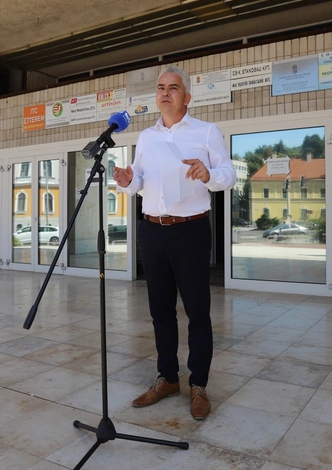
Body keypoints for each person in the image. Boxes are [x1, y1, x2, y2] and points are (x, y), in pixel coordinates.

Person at [113, 65, 235, 420]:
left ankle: (199, 384)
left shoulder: (206, 131)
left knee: (197, 311)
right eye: (161, 87)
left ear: (187, 97)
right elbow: (140, 181)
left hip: (190, 231)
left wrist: (208, 174)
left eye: (173, 88)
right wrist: (128, 180)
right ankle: (167, 378)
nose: (165, 92)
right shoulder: (146, 137)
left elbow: (228, 175)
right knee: (160, 311)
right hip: (153, 231)